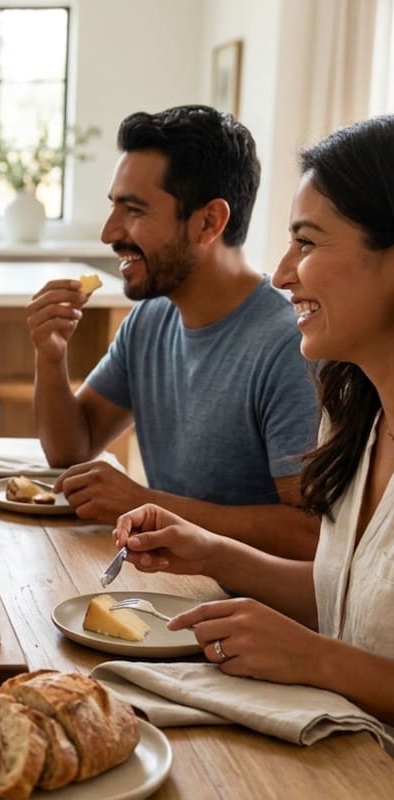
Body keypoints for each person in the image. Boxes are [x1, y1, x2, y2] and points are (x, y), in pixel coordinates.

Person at [113, 115, 394, 727]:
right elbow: (346, 602)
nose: (283, 272)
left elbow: (338, 644)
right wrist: (212, 552)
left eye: (309, 243)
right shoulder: (359, 420)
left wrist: (315, 658)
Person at [27, 105, 319, 559]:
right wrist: (50, 357)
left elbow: (310, 535)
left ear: (209, 222)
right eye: (113, 207)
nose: (109, 233)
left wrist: (147, 503)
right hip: (169, 593)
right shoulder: (149, 321)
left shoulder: (290, 346)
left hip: (245, 616)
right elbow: (72, 450)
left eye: (134, 210)